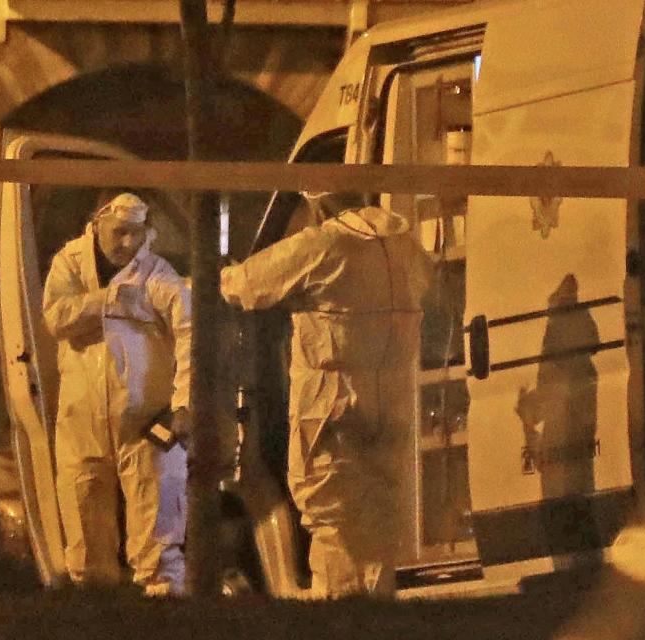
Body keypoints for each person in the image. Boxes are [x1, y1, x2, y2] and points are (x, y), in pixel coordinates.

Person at [219, 192, 429, 598]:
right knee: (379, 528)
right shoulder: (406, 244)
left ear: (318, 204)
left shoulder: (323, 245)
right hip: (394, 407)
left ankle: (339, 618)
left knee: (332, 523)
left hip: (333, 410)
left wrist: (205, 277)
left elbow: (244, 285)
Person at [42, 192, 191, 595]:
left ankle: (165, 617)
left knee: (157, 528)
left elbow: (190, 335)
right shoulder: (69, 264)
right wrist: (106, 301)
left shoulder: (159, 276)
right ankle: (95, 615)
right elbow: (56, 317)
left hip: (144, 419)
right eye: (119, 233)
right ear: (97, 225)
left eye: (136, 234)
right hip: (81, 421)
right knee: (84, 525)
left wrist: (183, 405)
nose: (128, 243)